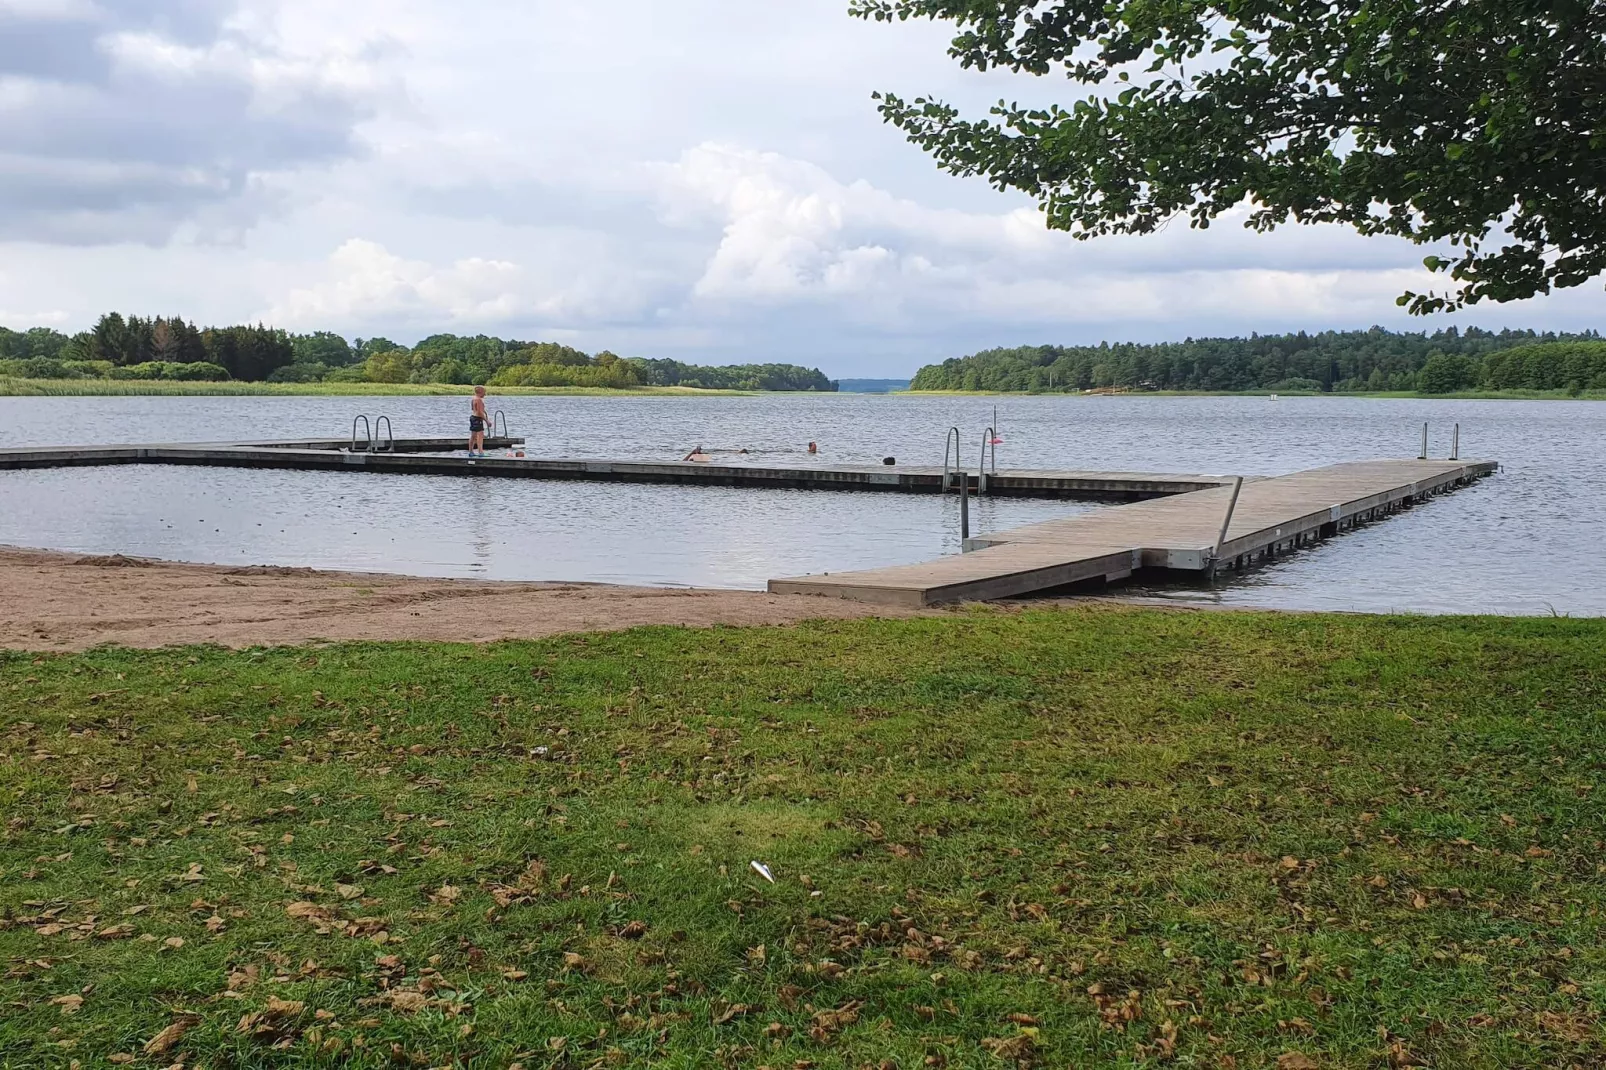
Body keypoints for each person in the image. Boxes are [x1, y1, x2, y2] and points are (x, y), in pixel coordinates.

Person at [469, 386, 488, 456]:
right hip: (477, 419)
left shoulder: (473, 399)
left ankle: (471, 452)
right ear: (480, 392)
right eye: (484, 392)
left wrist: (483, 410)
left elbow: (473, 409)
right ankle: (480, 452)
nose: (485, 394)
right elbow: (479, 412)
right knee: (480, 436)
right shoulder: (479, 400)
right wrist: (487, 421)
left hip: (473, 417)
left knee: (473, 436)